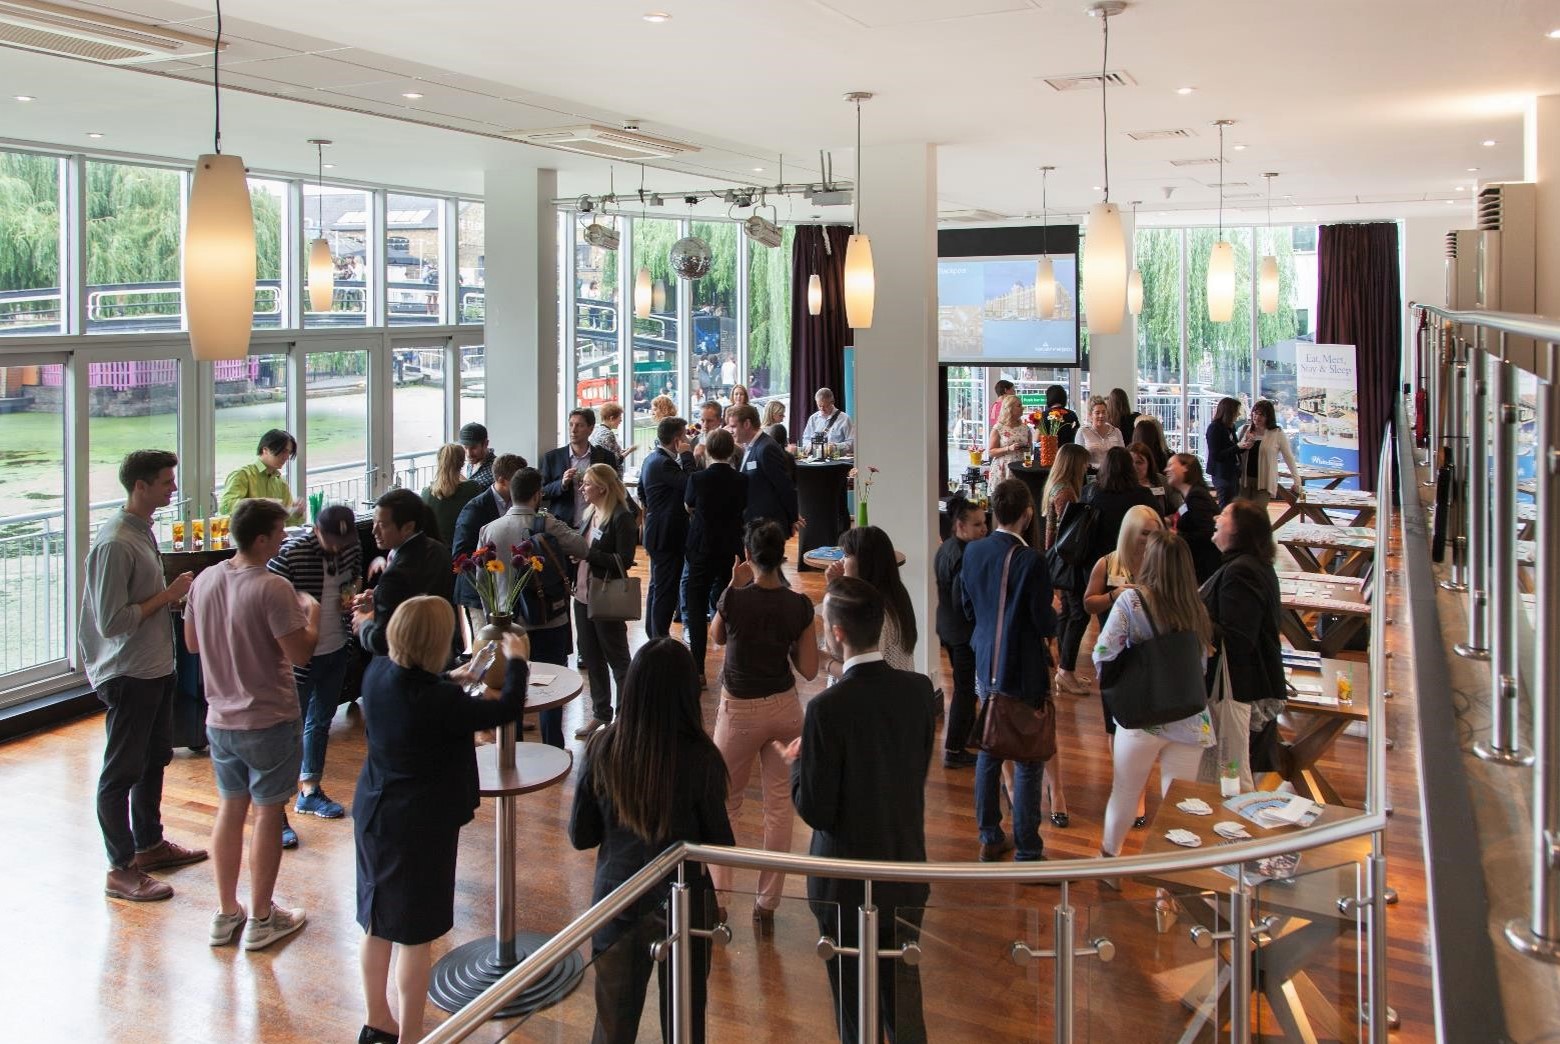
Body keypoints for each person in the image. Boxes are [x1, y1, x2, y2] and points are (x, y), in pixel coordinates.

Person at [355, 599, 530, 1044]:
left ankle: (377, 1020)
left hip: (375, 810)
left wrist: (454, 675)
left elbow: (412, 686)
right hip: (420, 826)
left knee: (377, 921)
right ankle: (412, 1036)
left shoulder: (377, 674)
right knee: (414, 935)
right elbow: (505, 709)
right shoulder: (439, 701)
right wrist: (519, 664)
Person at [786, 576, 935, 1044]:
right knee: (904, 994)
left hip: (844, 883)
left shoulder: (827, 710)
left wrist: (797, 764)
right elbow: (914, 770)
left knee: (854, 1005)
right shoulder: (919, 691)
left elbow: (816, 808)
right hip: (906, 866)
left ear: (838, 634)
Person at [569, 638, 733, 1044]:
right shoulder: (703, 757)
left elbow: (581, 836)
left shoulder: (603, 748)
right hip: (685, 902)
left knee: (612, 1026)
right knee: (684, 1023)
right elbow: (720, 844)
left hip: (616, 899)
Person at [184, 498, 319, 951]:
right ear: (261, 539)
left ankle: (226, 913)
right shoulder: (273, 587)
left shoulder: (204, 580)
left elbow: (191, 642)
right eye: (280, 533)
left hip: (220, 717)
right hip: (269, 717)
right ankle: (262, 917)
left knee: (230, 807)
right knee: (266, 812)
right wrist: (312, 614)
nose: (284, 540)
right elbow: (300, 653)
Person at [81, 450, 205, 903]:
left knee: (155, 758)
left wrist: (167, 600)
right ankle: (120, 868)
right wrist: (169, 595)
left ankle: (149, 845)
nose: (174, 488)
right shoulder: (115, 542)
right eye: (167, 481)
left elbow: (140, 601)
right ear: (141, 486)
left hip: (156, 666)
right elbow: (110, 621)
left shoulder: (140, 532)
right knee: (120, 773)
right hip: (130, 672)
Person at [709, 520, 820, 920]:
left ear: (749, 555)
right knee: (778, 808)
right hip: (785, 711)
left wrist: (732, 585)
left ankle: (719, 901)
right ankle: (767, 903)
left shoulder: (735, 599)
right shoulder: (799, 605)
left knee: (725, 805)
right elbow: (808, 669)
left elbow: (716, 638)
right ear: (783, 554)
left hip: (738, 710)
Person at [1094, 532, 1214, 858]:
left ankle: (1109, 863)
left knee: (1126, 793)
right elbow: (1201, 663)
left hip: (1141, 714)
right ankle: (1169, 884)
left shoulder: (1132, 602)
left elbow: (1103, 654)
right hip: (1188, 716)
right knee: (1180, 803)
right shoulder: (1196, 606)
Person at [958, 478, 1056, 863]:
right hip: (1023, 665)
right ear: (1028, 514)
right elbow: (1042, 622)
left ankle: (989, 834)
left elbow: (968, 607)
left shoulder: (974, 551)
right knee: (1029, 757)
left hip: (986, 660)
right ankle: (1029, 848)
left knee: (991, 746)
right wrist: (1055, 618)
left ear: (995, 512)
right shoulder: (1032, 560)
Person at [478, 467, 604, 748]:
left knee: (513, 685)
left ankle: (515, 745)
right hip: (549, 619)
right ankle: (553, 746)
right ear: (537, 495)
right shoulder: (547, 524)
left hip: (508, 625)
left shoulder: (490, 530)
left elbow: (480, 579)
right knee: (551, 685)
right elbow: (581, 549)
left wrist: (492, 617)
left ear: (511, 493)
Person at [265, 504, 362, 844]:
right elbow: (270, 597)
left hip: (336, 649)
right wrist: (304, 607)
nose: (338, 546)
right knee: (289, 728)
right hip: (299, 655)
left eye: (343, 539)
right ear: (316, 531)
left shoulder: (351, 546)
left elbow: (354, 578)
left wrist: (352, 597)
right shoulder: (291, 554)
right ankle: (274, 811)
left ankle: (310, 789)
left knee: (320, 722)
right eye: (331, 539)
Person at [1202, 500, 1286, 790]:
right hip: (1243, 688)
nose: (1216, 517)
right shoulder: (1249, 566)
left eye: (1224, 514)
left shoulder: (1242, 571)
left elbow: (1238, 638)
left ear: (1240, 530)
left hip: (1239, 691)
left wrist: (1190, 616)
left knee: (1234, 777)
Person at [572, 464, 639, 739]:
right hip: (583, 595)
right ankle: (601, 714)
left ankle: (625, 718)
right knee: (591, 657)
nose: (582, 488)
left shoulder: (621, 517)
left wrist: (587, 554)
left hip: (606, 596)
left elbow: (623, 560)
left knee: (617, 658)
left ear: (602, 487)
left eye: (587, 483)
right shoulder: (591, 514)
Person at [352, 489, 455, 658]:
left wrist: (364, 624)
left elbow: (382, 641)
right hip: (439, 651)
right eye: (373, 523)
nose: (374, 532)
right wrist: (380, 596)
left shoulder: (394, 575)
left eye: (383, 525)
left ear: (408, 527)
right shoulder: (439, 550)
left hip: (408, 662)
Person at [683, 427, 747, 685]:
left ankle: (698, 669)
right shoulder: (742, 480)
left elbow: (689, 505)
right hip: (731, 548)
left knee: (696, 605)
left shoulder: (697, 479)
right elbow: (743, 508)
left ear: (707, 451)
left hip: (702, 547)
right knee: (732, 603)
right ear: (732, 451)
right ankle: (734, 665)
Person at [823, 525, 919, 682]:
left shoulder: (874, 612)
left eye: (846, 555)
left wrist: (824, 662)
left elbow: (861, 674)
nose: (840, 562)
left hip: (874, 696)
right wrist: (835, 587)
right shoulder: (895, 595)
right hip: (896, 692)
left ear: (865, 562)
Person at [934, 495, 988, 768]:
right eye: (977, 525)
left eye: (984, 523)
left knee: (966, 687)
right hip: (962, 633)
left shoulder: (947, 548)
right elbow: (962, 601)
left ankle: (968, 734)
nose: (984, 529)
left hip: (948, 627)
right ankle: (954, 750)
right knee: (966, 690)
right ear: (960, 526)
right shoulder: (965, 556)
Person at [451, 454, 526, 630]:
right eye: (518, 480)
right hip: (479, 594)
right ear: (502, 481)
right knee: (486, 646)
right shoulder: (475, 509)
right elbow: (460, 556)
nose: (522, 486)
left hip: (506, 591)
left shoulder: (517, 503)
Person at [640, 416, 696, 639]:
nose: (687, 439)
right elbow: (692, 484)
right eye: (684, 436)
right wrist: (688, 455)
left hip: (656, 529)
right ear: (676, 440)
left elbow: (643, 494)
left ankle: (653, 632)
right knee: (666, 588)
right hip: (667, 534)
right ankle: (660, 637)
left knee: (657, 585)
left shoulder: (650, 458)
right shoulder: (665, 462)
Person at [1045, 444, 1092, 698]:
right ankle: (1065, 670)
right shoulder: (1065, 493)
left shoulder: (1060, 488)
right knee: (1079, 614)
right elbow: (1069, 533)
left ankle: (1065, 668)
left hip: (1060, 560)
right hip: (1067, 561)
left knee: (1067, 613)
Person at [727, 403, 798, 534]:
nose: (730, 431)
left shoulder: (766, 448)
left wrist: (793, 517)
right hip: (755, 524)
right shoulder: (750, 446)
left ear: (747, 424)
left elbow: (784, 486)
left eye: (733, 426)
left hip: (767, 528)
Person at [540, 408, 618, 528]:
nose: (573, 430)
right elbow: (542, 492)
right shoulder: (552, 458)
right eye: (571, 424)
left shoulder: (605, 457)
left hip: (597, 524)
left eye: (579, 425)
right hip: (562, 525)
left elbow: (614, 490)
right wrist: (562, 483)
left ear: (591, 429)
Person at [218, 428, 305, 521]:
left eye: (289, 452)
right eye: (283, 451)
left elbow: (284, 522)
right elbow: (225, 507)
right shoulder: (243, 475)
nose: (287, 457)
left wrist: (296, 514)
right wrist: (261, 503)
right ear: (265, 450)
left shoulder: (281, 483)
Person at [1166, 453, 1222, 583]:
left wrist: (1176, 535)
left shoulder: (1197, 496)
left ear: (1186, 467)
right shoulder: (1192, 496)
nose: (1166, 470)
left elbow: (1207, 533)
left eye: (1170, 465)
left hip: (1204, 570)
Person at [1238, 398, 1301, 509]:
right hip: (1244, 481)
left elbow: (1288, 457)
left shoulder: (1277, 433)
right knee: (1242, 515)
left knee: (1258, 513)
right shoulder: (1247, 429)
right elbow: (1238, 450)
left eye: (1261, 415)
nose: (1257, 417)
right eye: (1255, 413)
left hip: (1264, 483)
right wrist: (1245, 444)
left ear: (1269, 417)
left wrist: (1296, 480)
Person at [421, 443, 484, 547]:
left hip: (433, 552)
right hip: (463, 551)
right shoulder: (472, 488)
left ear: (439, 462)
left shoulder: (426, 493)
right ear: (462, 463)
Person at [986, 392, 1033, 485]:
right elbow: (991, 452)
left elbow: (1030, 451)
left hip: (1021, 469)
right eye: (1019, 406)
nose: (1022, 408)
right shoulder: (998, 428)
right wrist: (1008, 448)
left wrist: (1027, 451)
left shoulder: (1025, 428)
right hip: (1003, 469)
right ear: (1009, 408)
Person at [1204, 396, 1244, 508]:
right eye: (1237, 411)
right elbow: (1216, 455)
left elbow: (1234, 449)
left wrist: (1244, 446)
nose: (1239, 414)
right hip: (1222, 474)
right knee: (1226, 505)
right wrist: (1237, 447)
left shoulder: (1230, 427)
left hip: (1233, 472)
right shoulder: (1214, 428)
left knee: (1232, 505)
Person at [1129, 441, 1182, 518]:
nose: (1134, 467)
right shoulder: (1122, 484)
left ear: (1149, 463)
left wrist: (1167, 520)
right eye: (1130, 462)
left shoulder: (1162, 481)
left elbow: (1179, 509)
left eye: (1139, 462)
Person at [799, 387, 855, 454]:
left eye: (825, 406)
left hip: (837, 460)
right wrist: (809, 445)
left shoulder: (845, 419)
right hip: (816, 459)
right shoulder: (813, 418)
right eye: (819, 406)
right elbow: (806, 439)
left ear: (832, 402)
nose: (822, 409)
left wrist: (836, 447)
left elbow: (852, 443)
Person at [1077, 396, 1125, 471]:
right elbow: (1077, 458)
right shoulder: (1083, 432)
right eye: (1097, 413)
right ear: (1090, 415)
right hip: (1091, 474)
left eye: (1103, 412)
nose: (1101, 415)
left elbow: (1123, 455)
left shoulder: (1116, 432)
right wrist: (1089, 451)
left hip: (1113, 473)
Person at [590, 401, 636, 473]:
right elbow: (617, 460)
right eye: (619, 417)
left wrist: (620, 451)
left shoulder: (597, 431)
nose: (621, 420)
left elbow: (606, 453)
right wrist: (630, 450)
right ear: (611, 418)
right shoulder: (608, 434)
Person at [459, 422, 496, 488]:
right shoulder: (472, 462)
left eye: (473, 448)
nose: (468, 454)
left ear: (485, 444)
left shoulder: (496, 469)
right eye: (465, 447)